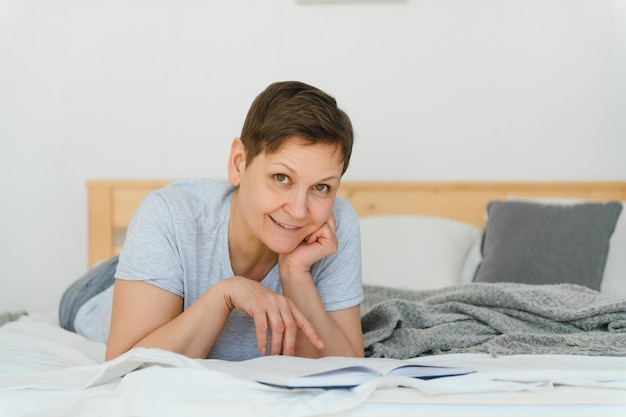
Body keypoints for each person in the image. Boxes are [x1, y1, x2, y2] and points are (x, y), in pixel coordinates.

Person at [59, 81, 364, 362]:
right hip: (96, 292)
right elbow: (125, 364)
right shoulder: (168, 214)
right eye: (281, 178)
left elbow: (348, 366)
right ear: (238, 164)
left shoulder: (336, 222)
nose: (299, 211)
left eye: (321, 187)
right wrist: (225, 294)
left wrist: (296, 274)